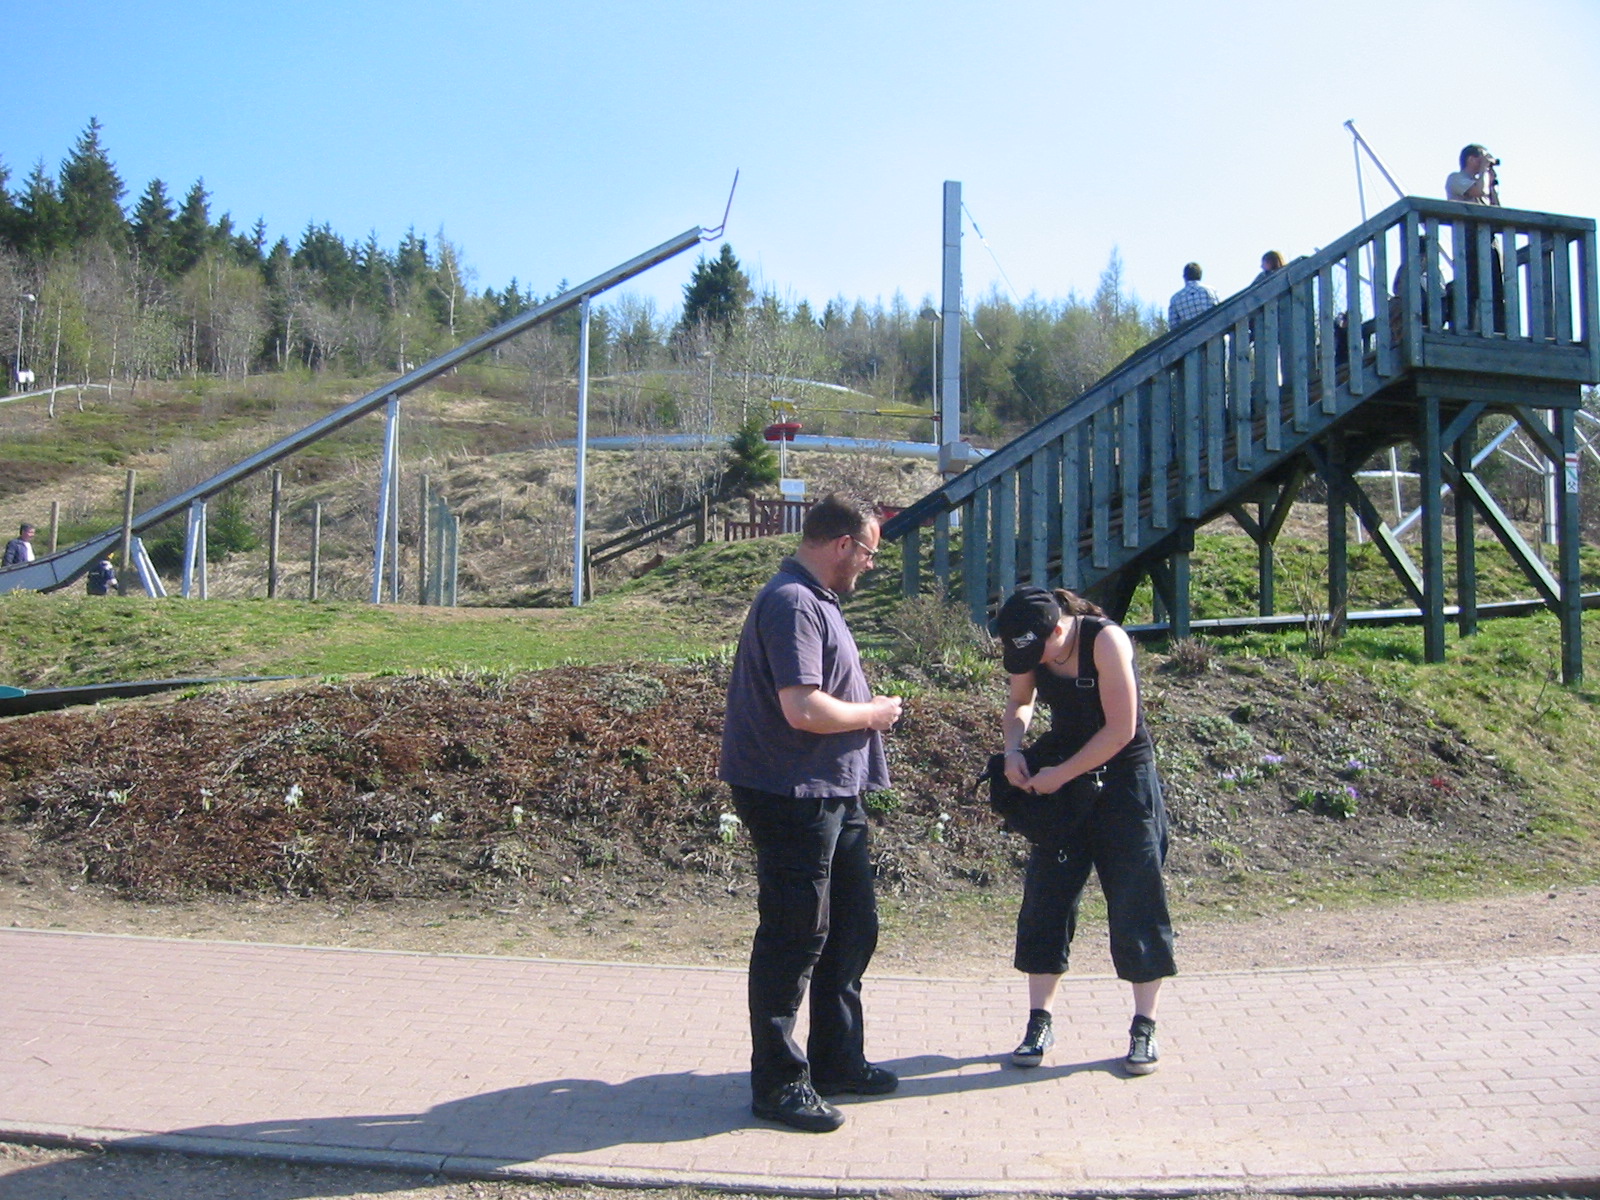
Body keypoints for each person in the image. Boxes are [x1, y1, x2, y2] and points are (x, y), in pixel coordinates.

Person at [718, 492, 904, 1133]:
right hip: (793, 794)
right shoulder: (793, 602)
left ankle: (836, 1060)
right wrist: (873, 714)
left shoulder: (815, 600)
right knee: (794, 936)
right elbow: (803, 709)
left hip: (832, 792)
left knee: (851, 927)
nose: (870, 565)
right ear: (843, 544)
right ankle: (777, 1085)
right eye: (869, 553)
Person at [995, 585, 1176, 1076]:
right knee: (1046, 899)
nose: (1029, 661)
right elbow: (1020, 702)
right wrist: (1014, 751)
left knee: (1137, 901)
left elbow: (1120, 730)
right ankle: (1039, 1021)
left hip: (1123, 781)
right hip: (1065, 779)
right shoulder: (1029, 641)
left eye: (1036, 651)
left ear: (1058, 629)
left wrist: (1060, 775)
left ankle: (1144, 1026)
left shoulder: (1105, 640)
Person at [1444, 144, 1505, 331]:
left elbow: (1498, 211)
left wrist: (1492, 185)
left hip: (1488, 239)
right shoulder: (1456, 178)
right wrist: (1485, 173)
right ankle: (1469, 327)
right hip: (1468, 239)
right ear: (1471, 159)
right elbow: (1478, 192)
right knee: (1471, 286)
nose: (1485, 162)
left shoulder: (1483, 183)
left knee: (1496, 288)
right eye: (1482, 158)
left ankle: (1497, 329)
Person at [1167, 263, 1219, 328]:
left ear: (1184, 277)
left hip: (1189, 333)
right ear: (1200, 275)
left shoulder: (1175, 299)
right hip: (1212, 330)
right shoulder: (1211, 291)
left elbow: (1173, 325)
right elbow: (1220, 314)